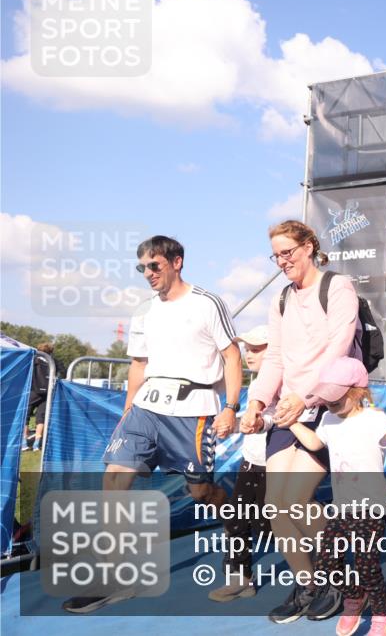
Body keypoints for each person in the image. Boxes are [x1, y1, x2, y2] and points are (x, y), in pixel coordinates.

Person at [64, 235, 243, 614]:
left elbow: (231, 355)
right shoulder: (144, 311)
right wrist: (127, 412)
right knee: (113, 479)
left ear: (177, 262)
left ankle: (235, 527)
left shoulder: (208, 303)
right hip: (146, 408)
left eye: (154, 265)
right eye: (142, 267)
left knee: (201, 494)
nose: (147, 273)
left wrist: (230, 406)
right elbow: (139, 364)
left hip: (193, 411)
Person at [239, 219, 362, 623]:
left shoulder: (337, 287)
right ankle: (309, 583)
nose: (282, 261)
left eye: (288, 252)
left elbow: (339, 346)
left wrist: (303, 396)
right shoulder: (280, 300)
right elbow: (273, 357)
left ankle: (338, 574)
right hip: (287, 410)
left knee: (296, 500)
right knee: (277, 507)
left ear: (309, 246)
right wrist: (257, 401)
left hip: (327, 405)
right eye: (276, 255)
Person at [290, 356, 386, 636]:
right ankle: (354, 597)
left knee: (366, 564)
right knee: (326, 563)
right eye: (327, 398)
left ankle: (385, 615)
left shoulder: (375, 419)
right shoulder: (327, 418)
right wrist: (292, 423)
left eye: (336, 398)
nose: (330, 404)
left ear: (358, 392)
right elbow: (314, 442)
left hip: (370, 509)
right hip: (341, 509)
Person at [208, 325, 272, 602]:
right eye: (247, 348)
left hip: (277, 466)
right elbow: (252, 425)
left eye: (257, 349)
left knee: (274, 526)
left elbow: (280, 421)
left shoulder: (285, 383)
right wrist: (231, 426)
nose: (249, 354)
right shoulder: (256, 384)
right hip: (251, 463)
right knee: (237, 521)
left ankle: (325, 572)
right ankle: (241, 579)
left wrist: (259, 423)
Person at [22, 341, 54, 452]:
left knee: (24, 416)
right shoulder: (52, 362)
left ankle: (24, 443)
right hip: (47, 393)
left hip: (33, 391)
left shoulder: (34, 359)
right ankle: (36, 444)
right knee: (41, 418)